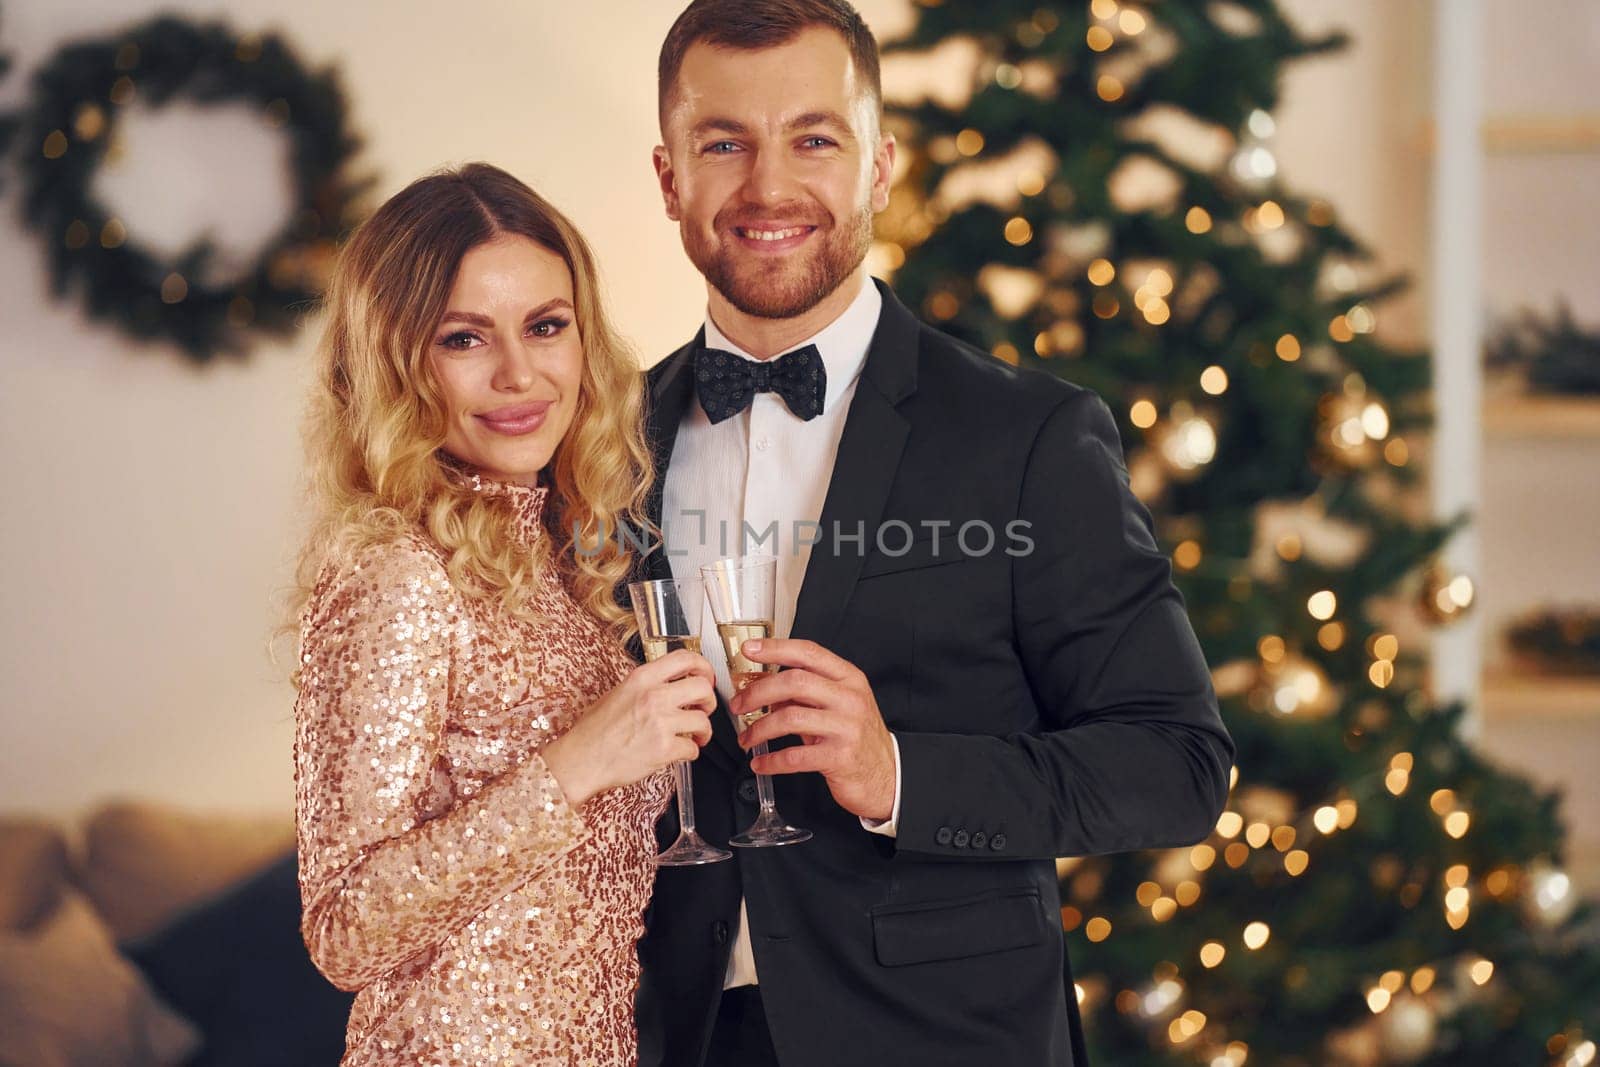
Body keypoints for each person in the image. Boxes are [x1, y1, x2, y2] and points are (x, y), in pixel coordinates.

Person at [634, 3, 1236, 1065]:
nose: (768, 186)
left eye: (814, 138)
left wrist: (899, 771)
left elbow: (1176, 761)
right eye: (723, 142)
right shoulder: (601, 442)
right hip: (666, 1035)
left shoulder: (1028, 437)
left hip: (943, 1038)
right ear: (669, 175)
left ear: (879, 165)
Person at [290, 162, 717, 1066]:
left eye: (546, 326)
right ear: (400, 361)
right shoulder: (394, 570)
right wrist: (574, 765)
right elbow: (343, 931)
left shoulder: (571, 554)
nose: (520, 374)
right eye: (464, 338)